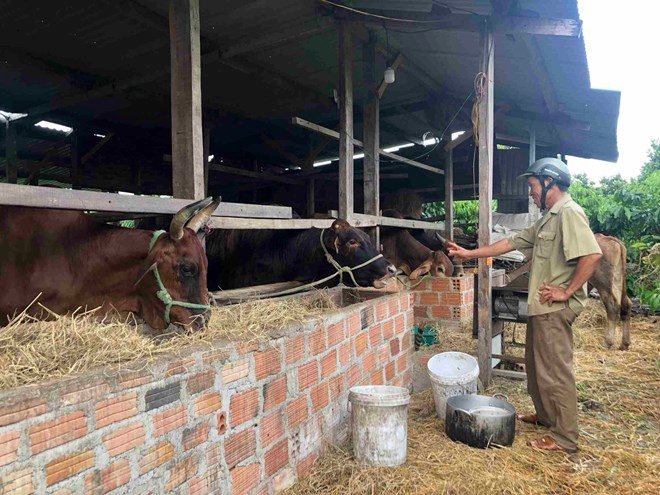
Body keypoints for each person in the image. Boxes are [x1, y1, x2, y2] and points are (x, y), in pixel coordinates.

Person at [447, 157, 602, 453]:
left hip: (554, 309)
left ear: (549, 183)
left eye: (532, 186)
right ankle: (546, 417)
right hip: (541, 309)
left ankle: (565, 438)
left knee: (555, 372)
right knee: (536, 367)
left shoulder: (569, 212)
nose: (530, 192)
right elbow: (511, 243)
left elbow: (591, 255)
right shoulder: (548, 217)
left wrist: (566, 291)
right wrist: (469, 254)